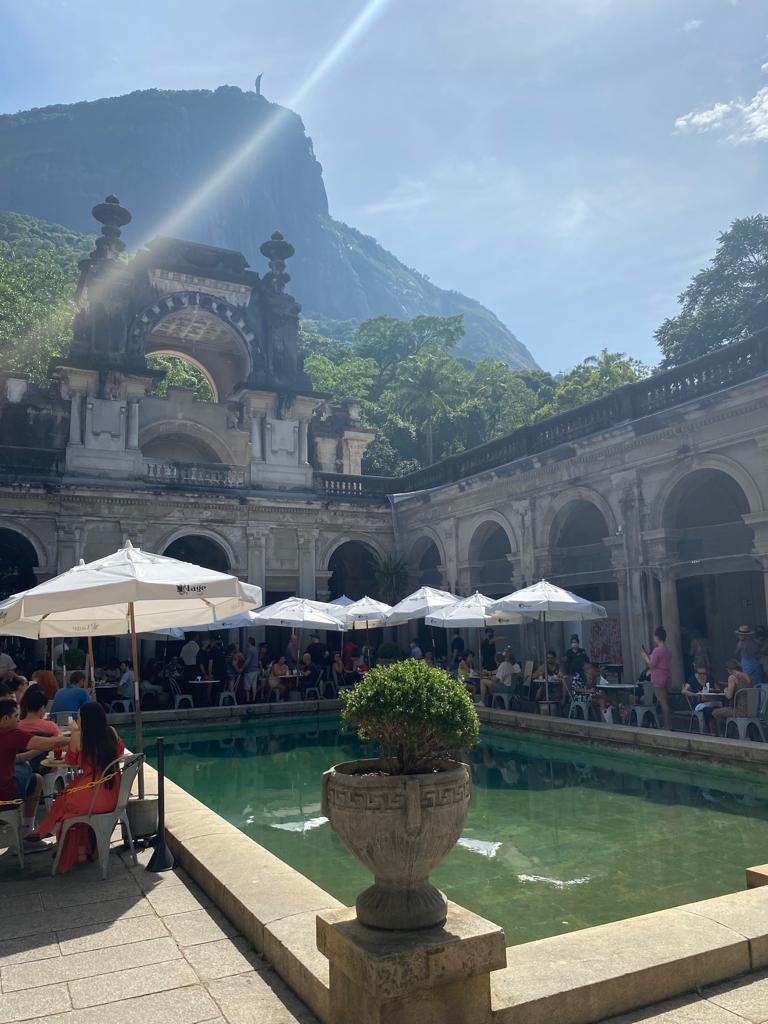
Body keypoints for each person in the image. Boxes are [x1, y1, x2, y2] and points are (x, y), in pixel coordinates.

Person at [28, 702, 125, 872]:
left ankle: (52, 835)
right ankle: (80, 848)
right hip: (114, 794)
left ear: (86, 719)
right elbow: (120, 753)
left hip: (93, 794)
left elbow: (71, 762)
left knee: (64, 802)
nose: (77, 719)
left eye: (79, 716)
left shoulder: (78, 737)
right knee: (67, 800)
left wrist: (74, 735)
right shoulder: (111, 732)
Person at [0, 697, 70, 844]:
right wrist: (72, 739)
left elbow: (14, 758)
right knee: (25, 768)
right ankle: (28, 833)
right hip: (6, 795)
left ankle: (28, 831)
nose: (18, 721)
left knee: (36, 779)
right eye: (16, 717)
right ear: (5, 719)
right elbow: (48, 743)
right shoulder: (11, 733)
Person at [641, 627, 672, 731]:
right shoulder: (667, 650)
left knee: (663, 702)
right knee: (664, 701)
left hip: (658, 677)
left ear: (657, 637)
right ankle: (667, 724)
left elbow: (651, 664)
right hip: (666, 675)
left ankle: (668, 726)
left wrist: (644, 657)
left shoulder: (658, 650)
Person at [712, 661, 754, 737]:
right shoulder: (747, 676)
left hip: (740, 711)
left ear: (729, 669)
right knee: (726, 711)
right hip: (752, 710)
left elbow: (729, 696)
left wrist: (725, 690)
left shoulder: (732, 677)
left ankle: (719, 737)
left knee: (715, 712)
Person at [682, 666, 722, 736]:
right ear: (697, 673)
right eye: (700, 673)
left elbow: (718, 689)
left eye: (704, 673)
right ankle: (711, 731)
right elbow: (684, 691)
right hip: (698, 703)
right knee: (709, 711)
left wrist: (713, 690)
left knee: (718, 708)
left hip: (711, 701)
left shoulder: (710, 678)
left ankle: (718, 732)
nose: (702, 675)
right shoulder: (692, 679)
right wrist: (696, 694)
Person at [242, 637, 260, 703]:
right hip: (255, 669)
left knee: (247, 685)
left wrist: (242, 667)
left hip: (249, 670)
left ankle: (248, 699)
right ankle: (254, 698)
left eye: (247, 641)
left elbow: (248, 660)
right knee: (254, 685)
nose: (246, 643)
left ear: (250, 642)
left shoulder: (249, 650)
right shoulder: (256, 649)